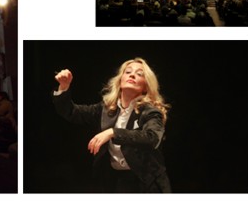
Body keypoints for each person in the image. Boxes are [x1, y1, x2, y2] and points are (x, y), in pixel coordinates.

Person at [53, 58, 171, 192]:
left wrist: (113, 132)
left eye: (140, 74)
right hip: (115, 181)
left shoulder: (150, 111)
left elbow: (152, 137)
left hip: (147, 184)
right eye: (128, 72)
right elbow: (71, 112)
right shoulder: (106, 109)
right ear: (120, 80)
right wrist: (64, 87)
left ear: (146, 86)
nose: (132, 75)